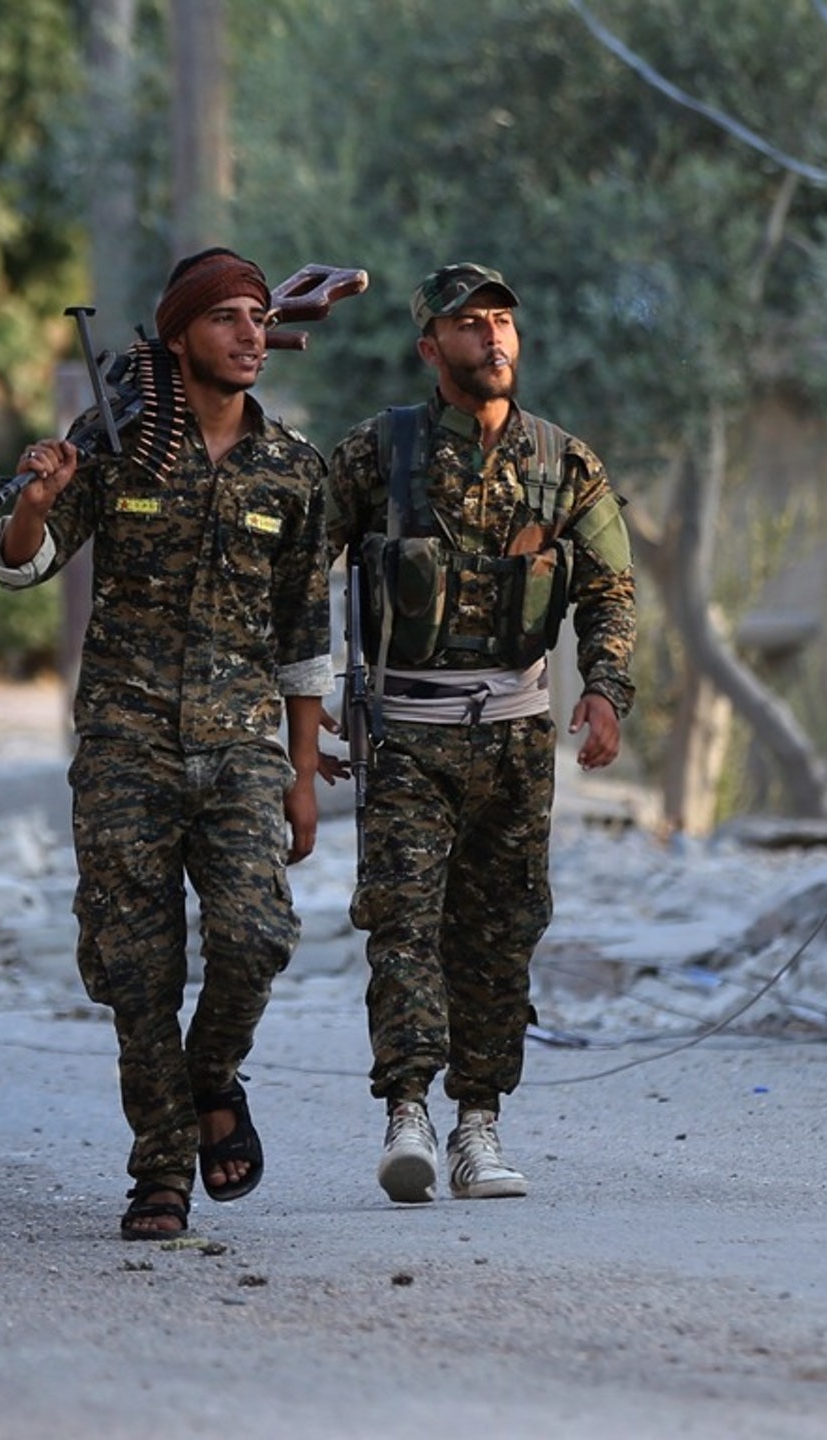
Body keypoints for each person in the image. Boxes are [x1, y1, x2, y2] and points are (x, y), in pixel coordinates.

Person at [0, 248, 331, 1239]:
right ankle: (162, 1167)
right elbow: (23, 564)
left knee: (256, 937)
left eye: (259, 317)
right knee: (137, 972)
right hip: (125, 743)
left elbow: (306, 637)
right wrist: (37, 501)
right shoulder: (120, 439)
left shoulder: (291, 468)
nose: (251, 334)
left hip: (242, 747)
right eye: (226, 318)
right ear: (178, 338)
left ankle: (213, 1073)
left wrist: (305, 776)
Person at [322, 263, 635, 1203]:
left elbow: (609, 586)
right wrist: (300, 699)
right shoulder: (381, 452)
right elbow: (300, 564)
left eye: (502, 320)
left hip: (515, 737)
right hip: (407, 732)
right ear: (431, 347)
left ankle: (479, 1124)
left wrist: (606, 688)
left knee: (501, 931)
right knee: (404, 922)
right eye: (469, 324)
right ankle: (407, 1112)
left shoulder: (563, 462)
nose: (492, 337)